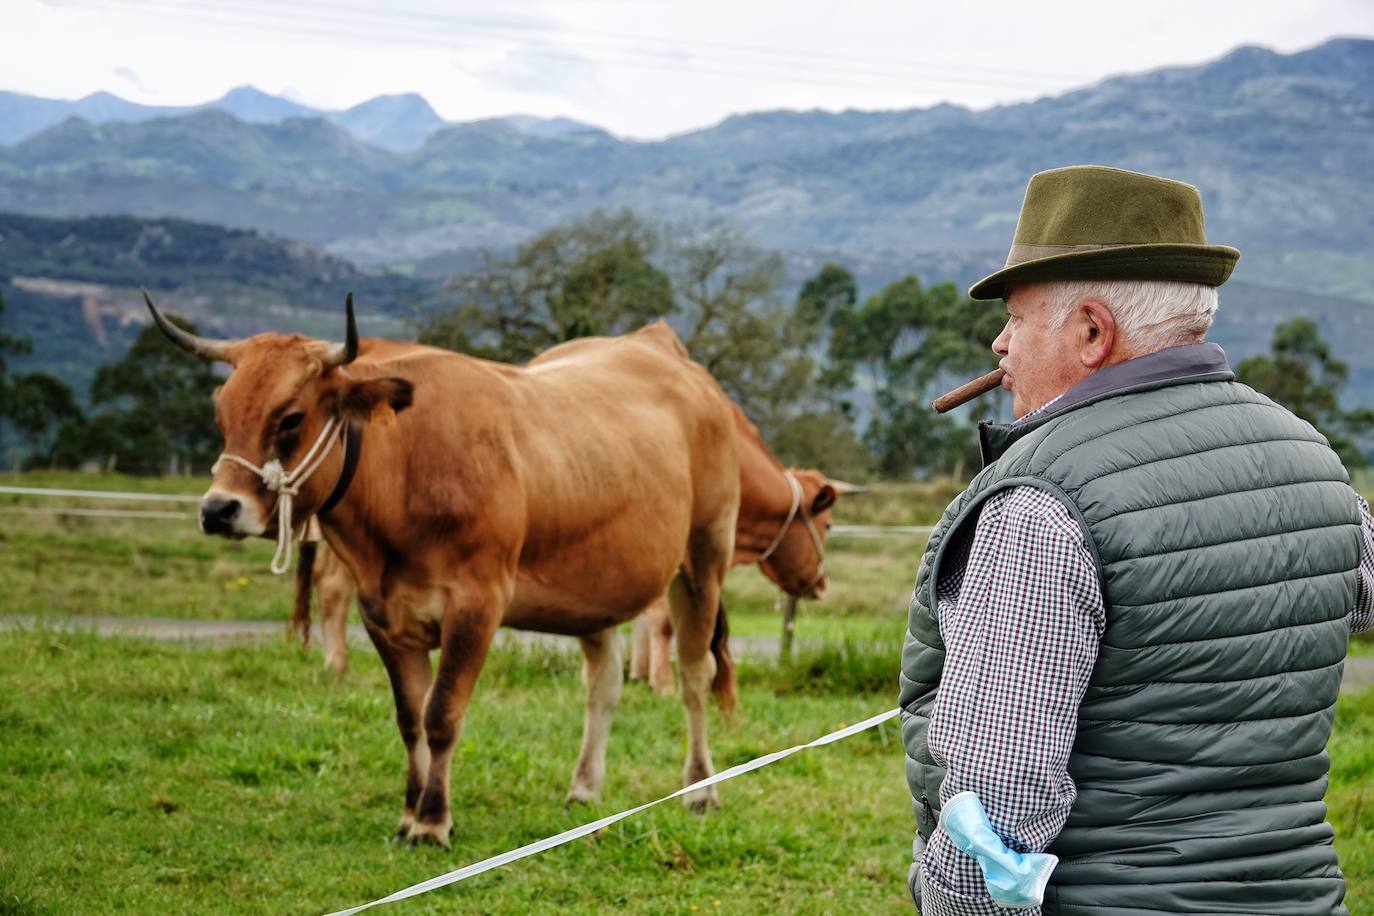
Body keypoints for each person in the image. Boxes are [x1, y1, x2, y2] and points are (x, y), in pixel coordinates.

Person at [899, 165, 1374, 915]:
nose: (999, 344)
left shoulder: (1041, 506)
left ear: (1092, 330)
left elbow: (996, 807)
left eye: (1017, 319)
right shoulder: (1316, 461)